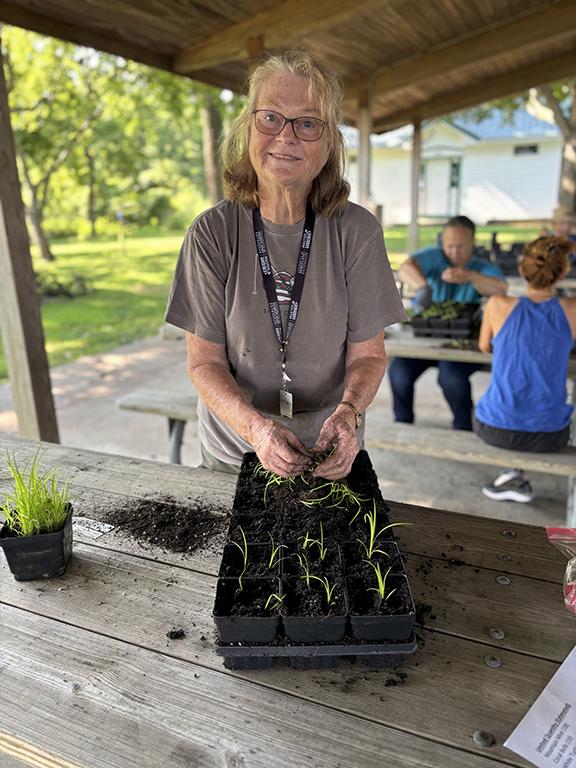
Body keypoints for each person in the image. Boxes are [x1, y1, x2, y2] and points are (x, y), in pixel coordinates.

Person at [165, 51, 406, 480]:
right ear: (247, 127)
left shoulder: (357, 231)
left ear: (330, 141)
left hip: (330, 448)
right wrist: (257, 430)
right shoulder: (211, 233)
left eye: (308, 123)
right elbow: (204, 364)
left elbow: (369, 355)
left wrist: (348, 414)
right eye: (271, 117)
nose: (287, 136)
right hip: (236, 448)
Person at [474, 236, 576, 502]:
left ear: (521, 270)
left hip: (495, 429)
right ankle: (514, 475)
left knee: (494, 404)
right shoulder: (572, 309)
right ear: (563, 272)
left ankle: (512, 474)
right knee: (538, 407)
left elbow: (485, 346)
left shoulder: (498, 304)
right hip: (550, 435)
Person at [389, 216, 507, 431]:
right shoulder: (434, 257)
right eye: (449, 245)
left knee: (451, 377)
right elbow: (406, 267)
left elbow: (501, 289)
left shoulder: (481, 266)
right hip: (428, 338)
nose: (454, 252)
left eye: (460, 247)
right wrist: (423, 287)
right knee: (399, 372)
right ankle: (402, 424)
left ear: (472, 243)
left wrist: (470, 276)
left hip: (465, 338)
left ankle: (463, 427)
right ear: (442, 242)